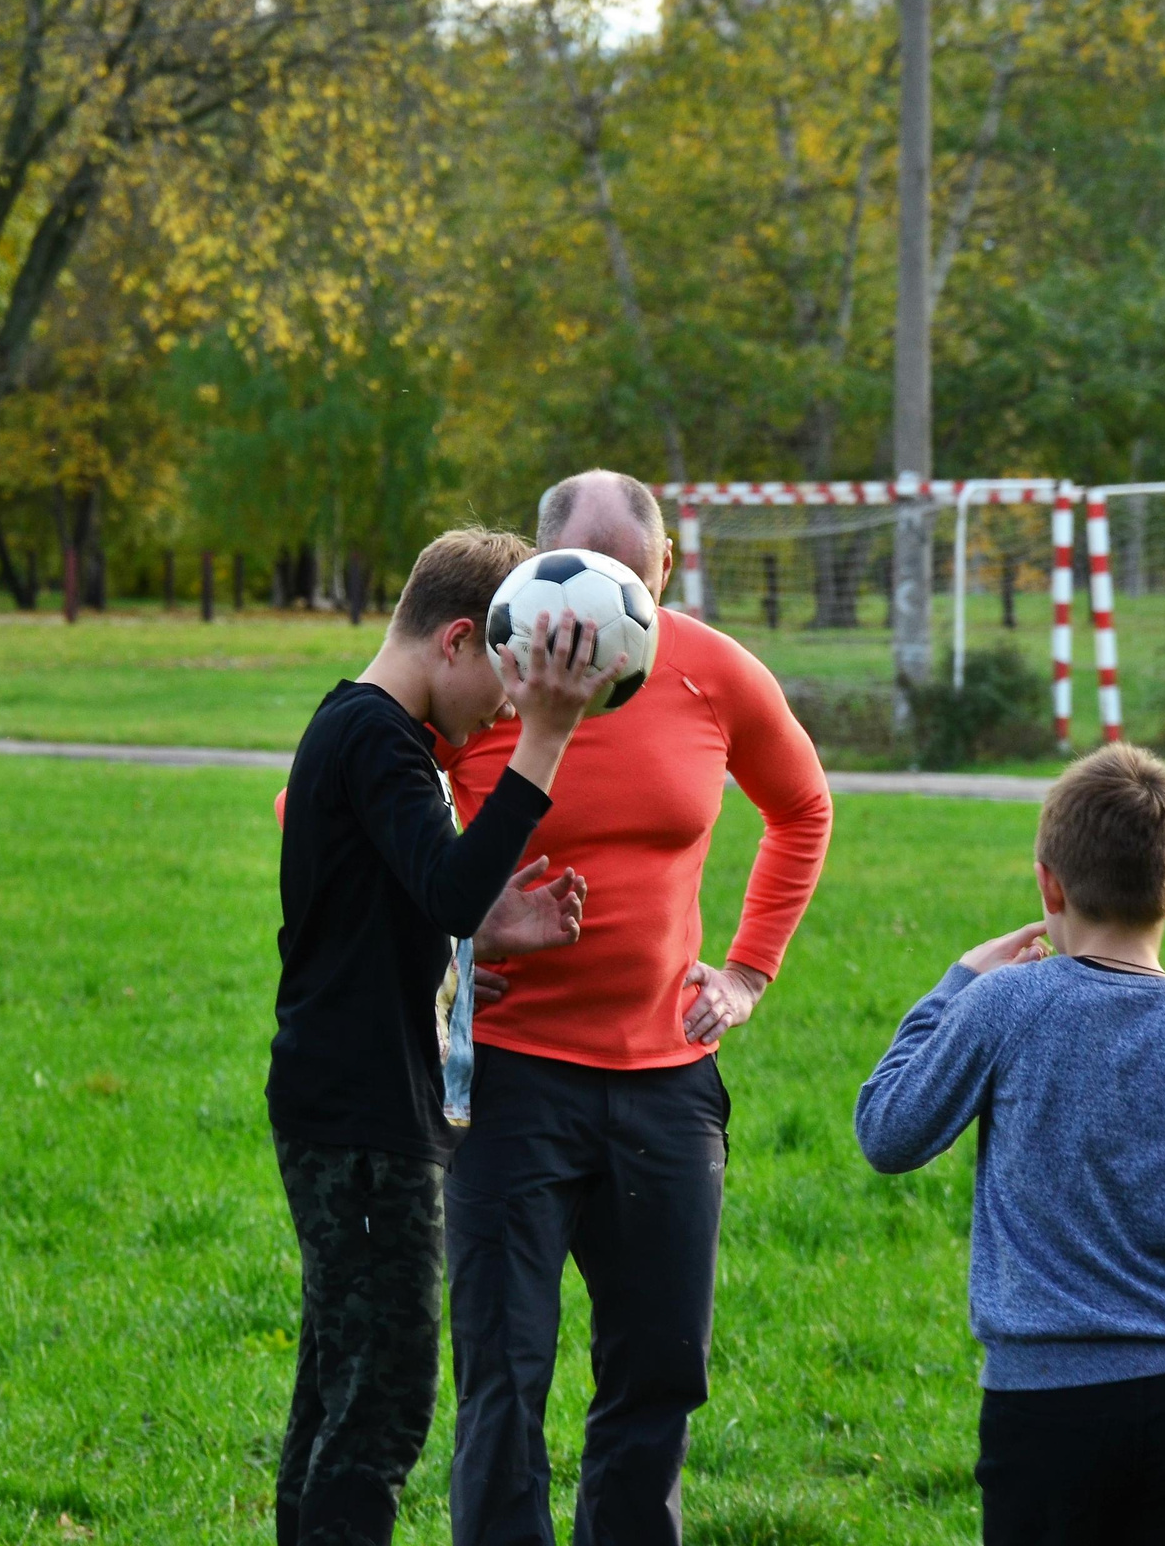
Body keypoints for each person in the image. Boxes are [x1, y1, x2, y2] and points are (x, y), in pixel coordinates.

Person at [437, 471, 834, 1546]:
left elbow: (801, 806)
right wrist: (463, 934)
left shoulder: (710, 670)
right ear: (537, 560)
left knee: (660, 1371)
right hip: (506, 1082)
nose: (610, 588)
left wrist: (747, 970)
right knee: (502, 1378)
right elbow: (326, 819)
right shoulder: (484, 669)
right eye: (586, 564)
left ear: (662, 570)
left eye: (634, 569)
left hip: (665, 1085)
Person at [853, 744, 1165, 1546]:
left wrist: (956, 984)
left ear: (1048, 884)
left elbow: (888, 1132)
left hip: (1044, 1404)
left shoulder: (1004, 1005)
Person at [269, 527, 624, 1546]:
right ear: (460, 639)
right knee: (378, 1406)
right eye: (505, 690)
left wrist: (472, 941)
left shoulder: (369, 735)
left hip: (346, 1103)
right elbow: (453, 884)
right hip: (361, 1121)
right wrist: (547, 739)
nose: (504, 714)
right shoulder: (377, 737)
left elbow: (405, 906)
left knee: (336, 1394)